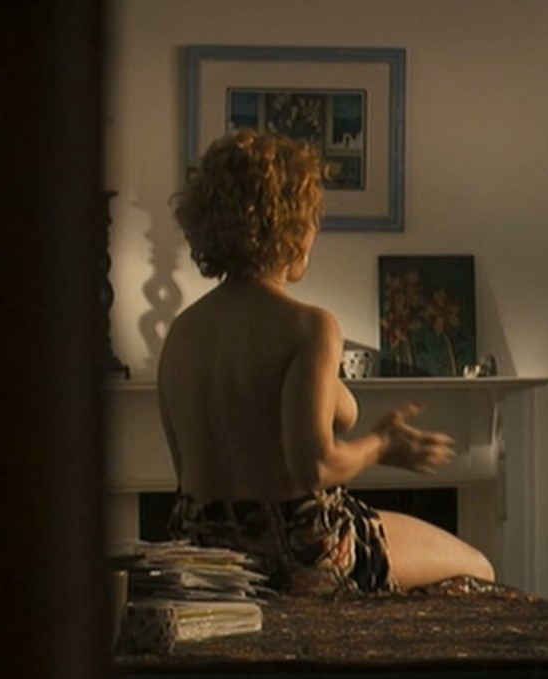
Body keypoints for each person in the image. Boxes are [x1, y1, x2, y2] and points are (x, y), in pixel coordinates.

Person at [159, 128, 494, 595]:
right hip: (298, 550)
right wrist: (382, 444)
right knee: (478, 566)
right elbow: (313, 467)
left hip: (204, 554)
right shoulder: (310, 327)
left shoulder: (182, 333)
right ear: (292, 226)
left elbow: (186, 469)